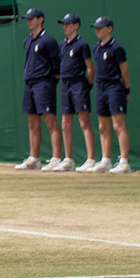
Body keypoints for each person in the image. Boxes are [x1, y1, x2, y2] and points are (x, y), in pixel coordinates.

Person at [14, 8, 64, 170]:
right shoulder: (27, 40)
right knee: (32, 122)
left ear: (40, 19)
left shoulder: (48, 41)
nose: (29, 21)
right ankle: (34, 158)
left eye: (32, 18)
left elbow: (56, 66)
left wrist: (50, 81)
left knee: (50, 121)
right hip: (29, 83)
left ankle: (56, 158)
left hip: (44, 83)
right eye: (27, 19)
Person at [55, 14, 99, 173]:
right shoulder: (62, 45)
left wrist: (88, 85)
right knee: (65, 122)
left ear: (76, 25)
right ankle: (68, 159)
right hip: (65, 84)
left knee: (83, 121)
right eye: (64, 24)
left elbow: (90, 68)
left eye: (68, 24)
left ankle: (91, 159)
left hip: (79, 84)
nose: (65, 27)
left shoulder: (82, 45)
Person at [91, 16, 131, 173]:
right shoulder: (96, 48)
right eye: (96, 28)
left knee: (118, 125)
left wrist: (126, 90)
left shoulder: (117, 48)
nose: (97, 30)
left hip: (114, 87)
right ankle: (106, 160)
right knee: (102, 126)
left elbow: (125, 71)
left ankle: (124, 162)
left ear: (109, 29)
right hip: (100, 88)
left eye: (100, 27)